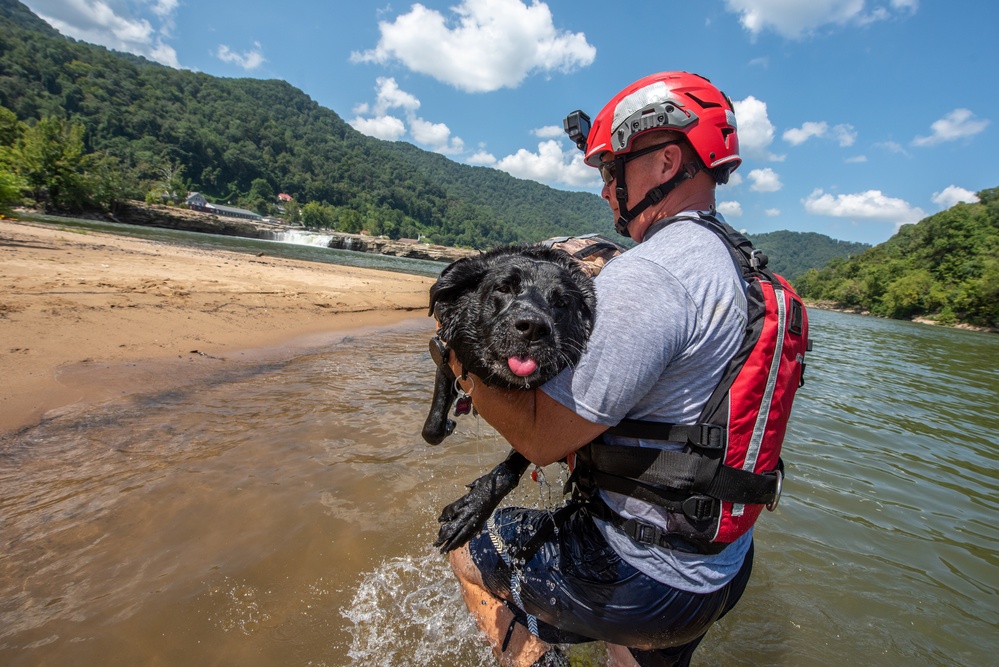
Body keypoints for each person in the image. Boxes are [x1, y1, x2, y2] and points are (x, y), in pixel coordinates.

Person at [446, 71, 760, 667]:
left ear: (667, 162)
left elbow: (541, 437)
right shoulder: (751, 273)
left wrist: (458, 360)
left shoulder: (657, 271)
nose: (605, 190)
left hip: (642, 577)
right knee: (631, 654)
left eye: (612, 170)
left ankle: (533, 657)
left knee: (469, 550)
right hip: (722, 567)